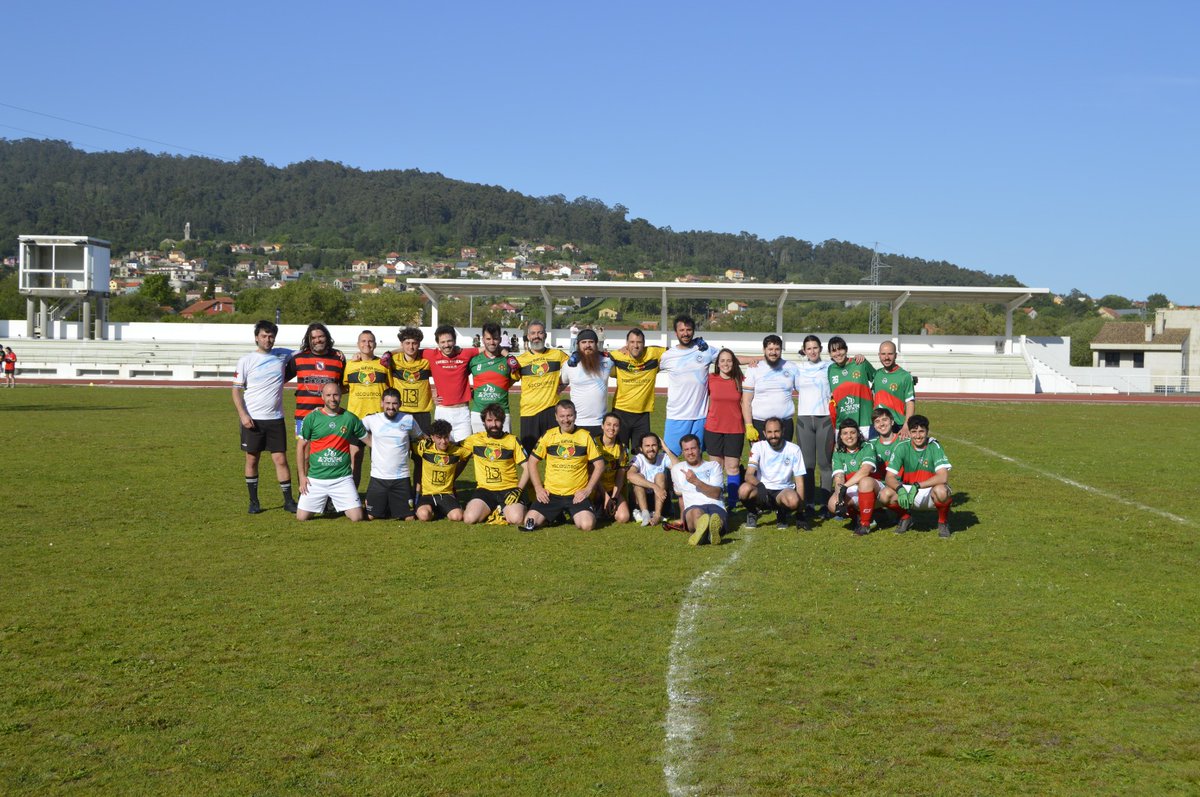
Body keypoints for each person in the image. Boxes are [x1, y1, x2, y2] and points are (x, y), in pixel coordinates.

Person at [231, 320, 297, 514]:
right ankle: (254, 501)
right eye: (264, 336)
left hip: (275, 418)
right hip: (253, 419)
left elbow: (308, 351)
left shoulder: (283, 354)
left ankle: (288, 501)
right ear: (256, 338)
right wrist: (243, 415)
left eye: (271, 336)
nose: (268, 339)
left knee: (281, 460)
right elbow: (235, 391)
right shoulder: (246, 360)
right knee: (252, 460)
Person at [524, 400, 605, 531]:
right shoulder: (548, 435)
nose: (566, 420)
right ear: (556, 417)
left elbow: (600, 465)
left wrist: (588, 489)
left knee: (587, 525)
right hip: (552, 494)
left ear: (575, 415)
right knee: (529, 523)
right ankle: (557, 514)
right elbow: (532, 461)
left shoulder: (585, 436)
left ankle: (572, 513)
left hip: (576, 496)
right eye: (562, 416)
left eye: (569, 416)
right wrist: (539, 488)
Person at [296, 382, 366, 522]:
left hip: (342, 479)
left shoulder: (350, 418)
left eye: (335, 395)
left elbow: (368, 440)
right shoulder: (312, 417)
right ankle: (328, 501)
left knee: (357, 517)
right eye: (328, 395)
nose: (332, 399)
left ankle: (344, 501)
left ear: (341, 396)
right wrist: (302, 477)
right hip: (316, 479)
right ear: (322, 396)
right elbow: (300, 447)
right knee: (301, 517)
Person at [880, 415, 954, 537]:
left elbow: (943, 477)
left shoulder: (934, 446)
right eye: (914, 432)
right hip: (909, 492)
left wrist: (918, 485)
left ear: (927, 431)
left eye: (921, 431)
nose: (918, 436)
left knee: (942, 491)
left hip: (929, 491)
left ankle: (942, 522)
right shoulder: (902, 447)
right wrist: (900, 489)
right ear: (909, 432)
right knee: (884, 495)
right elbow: (889, 477)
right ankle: (906, 518)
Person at [360, 388, 423, 520]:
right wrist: (370, 442)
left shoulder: (408, 419)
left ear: (400, 404)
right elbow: (353, 427)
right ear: (382, 403)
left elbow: (420, 436)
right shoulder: (371, 420)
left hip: (401, 478)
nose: (391, 407)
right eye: (388, 403)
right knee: (370, 516)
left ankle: (394, 505)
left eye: (394, 403)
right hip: (378, 478)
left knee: (409, 518)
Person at [461, 403, 529, 526]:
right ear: (483, 422)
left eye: (497, 420)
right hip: (485, 490)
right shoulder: (474, 440)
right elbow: (452, 450)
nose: (493, 424)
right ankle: (497, 510)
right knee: (469, 518)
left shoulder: (512, 440)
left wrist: (518, 490)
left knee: (517, 519)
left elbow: (528, 468)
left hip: (509, 489)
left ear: (503, 421)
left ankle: (510, 508)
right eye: (489, 420)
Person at [658, 315, 717, 456]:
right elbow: (646, 367)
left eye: (689, 329)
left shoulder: (705, 350)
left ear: (693, 331)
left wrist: (757, 359)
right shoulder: (667, 356)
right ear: (676, 332)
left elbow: (729, 359)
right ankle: (666, 479)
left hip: (700, 417)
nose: (685, 333)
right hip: (676, 416)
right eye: (682, 330)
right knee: (669, 457)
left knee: (696, 457)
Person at [739, 417, 810, 531]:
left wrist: (800, 512)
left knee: (793, 500)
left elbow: (799, 481)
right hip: (761, 491)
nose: (773, 435)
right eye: (770, 432)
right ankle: (753, 512)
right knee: (743, 490)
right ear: (764, 433)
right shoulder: (758, 447)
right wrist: (760, 486)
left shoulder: (794, 449)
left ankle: (781, 512)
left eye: (776, 431)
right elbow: (748, 475)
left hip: (782, 490)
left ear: (783, 431)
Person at [284, 322, 347, 449]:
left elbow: (345, 386)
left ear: (327, 337)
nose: (317, 340)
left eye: (321, 336)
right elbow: (280, 380)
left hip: (330, 415)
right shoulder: (298, 359)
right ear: (309, 339)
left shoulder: (338, 359)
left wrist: (331, 396)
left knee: (327, 455)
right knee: (305, 456)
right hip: (303, 415)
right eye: (313, 338)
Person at [343, 330, 391, 487]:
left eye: (370, 341)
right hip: (356, 419)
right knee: (354, 459)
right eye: (363, 341)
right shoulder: (350, 365)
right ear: (358, 345)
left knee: (378, 461)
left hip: (379, 419)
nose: (367, 344)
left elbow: (392, 388)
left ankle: (375, 495)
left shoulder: (383, 365)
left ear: (375, 345)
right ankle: (352, 495)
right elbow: (343, 387)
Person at [515, 320, 569, 454]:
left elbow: (573, 370)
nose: (536, 336)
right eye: (533, 333)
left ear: (545, 335)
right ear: (528, 337)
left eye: (540, 332)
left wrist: (561, 384)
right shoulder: (520, 360)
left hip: (551, 411)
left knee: (555, 454)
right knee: (528, 457)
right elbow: (507, 380)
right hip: (529, 412)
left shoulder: (558, 355)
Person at [795, 335, 835, 516]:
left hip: (824, 419)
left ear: (820, 348)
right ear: (804, 350)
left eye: (815, 348)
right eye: (808, 348)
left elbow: (846, 366)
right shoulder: (798, 368)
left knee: (825, 463)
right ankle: (809, 503)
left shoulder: (829, 367)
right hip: (804, 420)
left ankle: (826, 504)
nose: (812, 351)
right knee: (808, 465)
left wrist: (858, 357)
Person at [609, 328, 667, 450]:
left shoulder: (653, 353)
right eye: (632, 342)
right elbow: (599, 357)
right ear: (627, 344)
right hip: (620, 412)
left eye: (639, 342)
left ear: (644, 344)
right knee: (619, 452)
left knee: (642, 454)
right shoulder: (617, 356)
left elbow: (676, 351)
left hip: (642, 415)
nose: (635, 346)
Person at [704, 348, 746, 511]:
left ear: (734, 362)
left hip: (735, 429)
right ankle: (717, 498)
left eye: (729, 360)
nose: (726, 363)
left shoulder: (740, 380)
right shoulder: (710, 379)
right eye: (722, 360)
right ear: (717, 364)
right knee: (716, 467)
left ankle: (733, 501)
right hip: (713, 428)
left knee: (733, 467)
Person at [742, 334, 801, 443]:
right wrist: (749, 425)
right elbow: (746, 401)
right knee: (760, 459)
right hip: (759, 423)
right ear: (764, 350)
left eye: (777, 349)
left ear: (781, 350)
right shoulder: (753, 368)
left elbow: (804, 391)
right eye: (770, 349)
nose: (773, 352)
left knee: (783, 459)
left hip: (785, 424)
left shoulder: (792, 367)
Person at [828, 418, 881, 536]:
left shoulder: (868, 446)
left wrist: (845, 487)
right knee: (833, 503)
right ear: (840, 436)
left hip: (874, 488)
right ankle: (859, 517)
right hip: (853, 488)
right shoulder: (838, 452)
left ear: (858, 433)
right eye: (845, 433)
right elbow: (839, 477)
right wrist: (839, 496)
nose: (849, 436)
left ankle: (866, 523)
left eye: (852, 432)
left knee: (865, 482)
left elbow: (865, 470)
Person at [671, 434, 726, 546]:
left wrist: (696, 481)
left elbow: (716, 494)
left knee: (715, 517)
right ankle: (707, 532)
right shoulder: (677, 469)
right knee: (697, 513)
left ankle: (708, 532)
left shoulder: (714, 466)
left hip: (715, 505)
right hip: (693, 507)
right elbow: (680, 497)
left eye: (693, 448)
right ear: (682, 452)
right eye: (686, 449)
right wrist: (682, 519)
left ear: (700, 448)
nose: (690, 452)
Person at [468, 322, 522, 434]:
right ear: (483, 339)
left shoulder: (507, 360)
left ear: (500, 339)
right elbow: (459, 376)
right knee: (478, 449)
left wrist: (507, 355)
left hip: (502, 414)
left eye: (495, 339)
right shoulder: (474, 360)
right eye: (488, 339)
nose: (492, 342)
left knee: (505, 449)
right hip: (478, 413)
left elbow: (516, 376)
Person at [414, 419, 470, 521]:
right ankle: (435, 510)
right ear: (432, 437)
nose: (443, 441)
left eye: (446, 437)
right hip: (427, 494)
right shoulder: (424, 447)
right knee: (424, 516)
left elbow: (469, 454)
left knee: (457, 517)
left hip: (446, 494)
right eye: (439, 438)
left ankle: (443, 509)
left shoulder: (457, 450)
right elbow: (408, 445)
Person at [561, 329, 613, 436]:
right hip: (577, 423)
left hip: (601, 424)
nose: (587, 345)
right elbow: (561, 384)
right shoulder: (569, 365)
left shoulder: (608, 361)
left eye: (591, 342)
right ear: (578, 345)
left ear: (596, 344)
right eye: (583, 342)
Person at [827, 336, 875, 438]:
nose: (838, 353)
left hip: (864, 422)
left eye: (840, 349)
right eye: (834, 351)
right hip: (843, 424)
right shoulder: (831, 369)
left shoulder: (860, 363)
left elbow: (877, 378)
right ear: (830, 354)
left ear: (846, 349)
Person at [627, 432, 674, 527]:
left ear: (659, 447)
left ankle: (657, 515)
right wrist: (654, 487)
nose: (651, 449)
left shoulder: (663, 457)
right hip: (642, 499)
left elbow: (679, 468)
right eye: (647, 446)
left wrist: (667, 450)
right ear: (641, 448)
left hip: (661, 499)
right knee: (638, 476)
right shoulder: (638, 459)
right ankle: (645, 514)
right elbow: (630, 475)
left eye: (654, 445)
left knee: (660, 476)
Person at [872, 341, 916, 439]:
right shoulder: (877, 374)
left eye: (890, 354)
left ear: (895, 355)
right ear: (879, 355)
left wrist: (906, 425)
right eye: (883, 354)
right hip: (877, 424)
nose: (886, 357)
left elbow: (910, 403)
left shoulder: (905, 376)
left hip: (897, 425)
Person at [593, 413, 632, 524]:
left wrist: (613, 498)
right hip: (595, 487)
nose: (611, 428)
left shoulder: (622, 448)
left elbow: (620, 477)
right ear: (602, 426)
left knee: (623, 517)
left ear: (619, 428)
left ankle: (607, 508)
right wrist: (605, 496)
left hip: (612, 489)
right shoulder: (593, 443)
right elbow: (591, 473)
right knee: (592, 518)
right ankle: (598, 506)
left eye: (615, 425)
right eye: (608, 424)